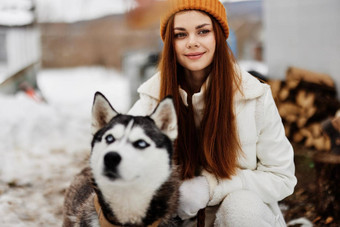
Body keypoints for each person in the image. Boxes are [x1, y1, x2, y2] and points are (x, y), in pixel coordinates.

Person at [128, 0, 297, 226]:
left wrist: (211, 188)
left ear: (218, 35)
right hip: (178, 218)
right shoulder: (151, 101)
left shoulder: (254, 96)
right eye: (180, 35)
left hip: (243, 218)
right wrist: (172, 193)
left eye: (203, 31)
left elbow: (282, 178)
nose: (192, 43)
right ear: (170, 43)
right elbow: (125, 170)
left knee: (241, 205)